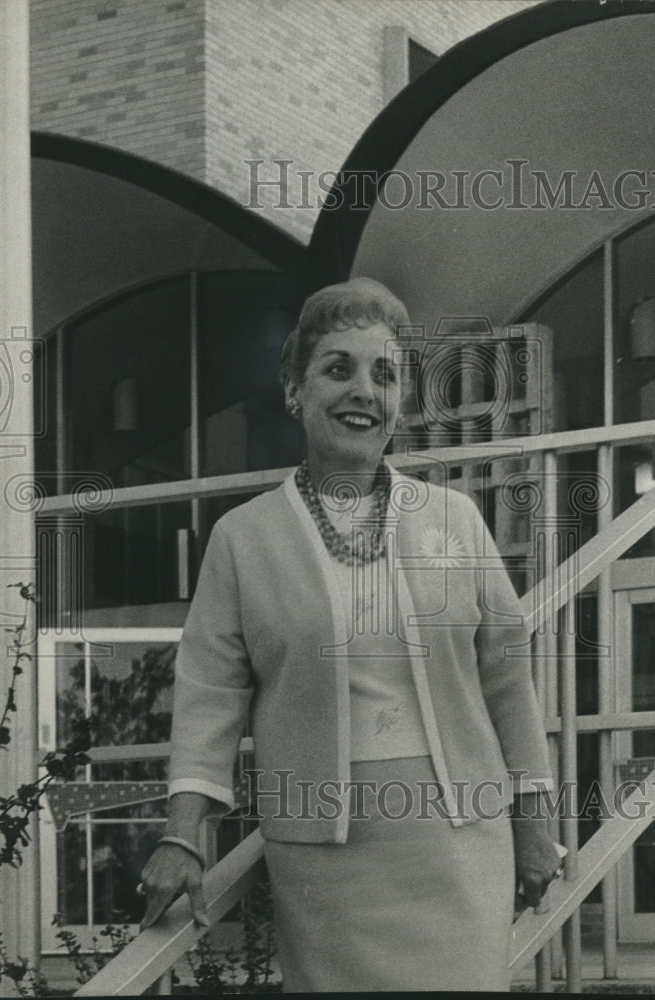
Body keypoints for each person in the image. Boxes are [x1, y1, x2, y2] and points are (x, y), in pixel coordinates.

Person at [139, 277, 563, 991]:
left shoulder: (455, 519)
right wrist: (184, 834)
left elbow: (507, 678)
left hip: (459, 842)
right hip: (325, 860)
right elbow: (208, 696)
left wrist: (534, 819)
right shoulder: (242, 540)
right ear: (293, 389)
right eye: (339, 369)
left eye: (385, 375)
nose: (364, 390)